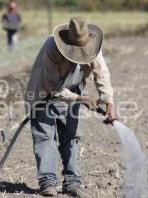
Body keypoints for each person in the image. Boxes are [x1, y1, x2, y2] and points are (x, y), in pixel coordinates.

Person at [25, 17, 115, 197]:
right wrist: (80, 98)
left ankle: (72, 182)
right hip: (44, 94)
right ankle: (48, 182)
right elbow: (52, 86)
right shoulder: (52, 48)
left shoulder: (92, 45)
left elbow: (101, 72)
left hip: (73, 93)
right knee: (45, 138)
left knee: (71, 136)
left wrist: (108, 101)